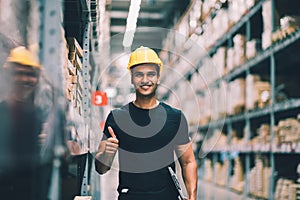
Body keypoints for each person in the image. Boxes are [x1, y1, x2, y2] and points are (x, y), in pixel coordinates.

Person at [95, 46, 198, 200]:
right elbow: (101, 168)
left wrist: (192, 196)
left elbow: (188, 161)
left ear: (158, 77)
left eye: (151, 74)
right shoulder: (117, 117)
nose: (145, 80)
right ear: (131, 78)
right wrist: (107, 155)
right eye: (138, 75)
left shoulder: (174, 117)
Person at [0, 46, 51, 200]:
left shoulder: (39, 114)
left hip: (29, 190)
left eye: (30, 74)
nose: (25, 79)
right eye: (19, 73)